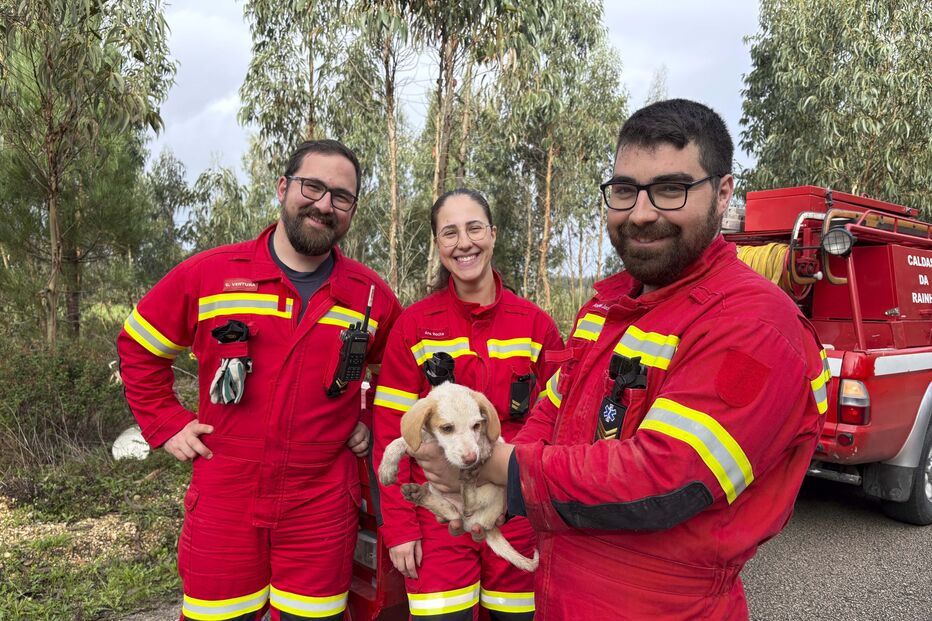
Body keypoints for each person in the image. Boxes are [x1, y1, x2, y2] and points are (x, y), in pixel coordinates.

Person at [413, 100, 830, 620]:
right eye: (626, 190)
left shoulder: (754, 324)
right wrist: (490, 485)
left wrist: (501, 466)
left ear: (723, 193)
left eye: (671, 189)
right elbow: (549, 413)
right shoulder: (605, 310)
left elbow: (665, 480)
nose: (641, 213)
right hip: (559, 591)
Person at [117, 139, 402, 621]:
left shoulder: (369, 296)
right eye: (312, 187)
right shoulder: (211, 274)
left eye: (341, 196)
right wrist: (165, 422)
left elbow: (401, 375)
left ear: (352, 210)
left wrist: (369, 418)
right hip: (225, 496)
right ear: (283, 187)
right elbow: (139, 345)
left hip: (321, 503)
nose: (324, 205)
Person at [372, 188, 564, 621]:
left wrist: (535, 502)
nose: (464, 243)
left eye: (474, 228)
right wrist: (399, 527)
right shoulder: (414, 326)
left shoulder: (536, 325)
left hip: (514, 511)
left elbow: (560, 424)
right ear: (438, 244)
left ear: (492, 234)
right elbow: (389, 430)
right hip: (438, 518)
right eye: (450, 232)